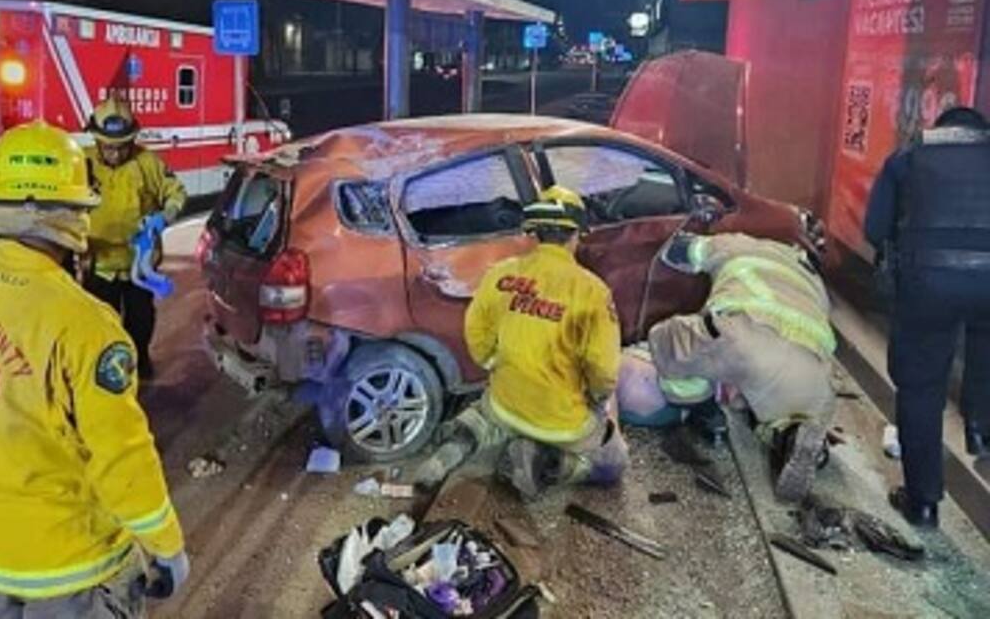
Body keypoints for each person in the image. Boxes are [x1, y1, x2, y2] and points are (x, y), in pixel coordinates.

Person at [0, 121, 188, 617]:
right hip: (70, 565)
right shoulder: (84, 322)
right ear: (68, 215)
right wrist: (165, 546)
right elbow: (121, 454)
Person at [415, 186, 628, 500]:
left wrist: (492, 363)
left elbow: (476, 331)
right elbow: (604, 370)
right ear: (575, 235)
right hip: (562, 422)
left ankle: (455, 446)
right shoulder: (593, 292)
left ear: (535, 233)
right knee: (614, 462)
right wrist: (597, 399)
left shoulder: (501, 274)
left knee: (486, 413)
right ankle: (550, 463)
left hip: (505, 403)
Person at [865, 105, 990, 528]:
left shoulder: (909, 157)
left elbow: (875, 227)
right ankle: (980, 429)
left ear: (942, 130)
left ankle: (923, 503)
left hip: (927, 284)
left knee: (920, 388)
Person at [648, 232, 836, 503]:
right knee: (780, 410)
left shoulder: (734, 244)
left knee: (668, 340)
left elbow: (675, 251)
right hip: (815, 374)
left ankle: (704, 412)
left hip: (747, 337)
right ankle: (792, 435)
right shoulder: (808, 274)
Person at [84, 98, 187, 380]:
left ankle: (140, 362)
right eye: (108, 147)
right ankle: (103, 375)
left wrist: (164, 217)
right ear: (96, 140)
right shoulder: (82, 163)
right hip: (99, 265)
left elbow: (175, 192)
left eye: (121, 147)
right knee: (99, 325)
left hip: (139, 265)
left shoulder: (147, 163)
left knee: (140, 321)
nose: (115, 154)